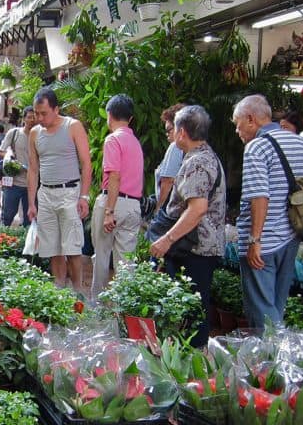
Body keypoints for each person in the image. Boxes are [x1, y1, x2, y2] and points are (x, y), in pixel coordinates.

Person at [232, 94, 303, 332]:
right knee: (276, 308)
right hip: (291, 240)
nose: (237, 131)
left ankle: (274, 362)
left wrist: (255, 239)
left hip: (264, 243)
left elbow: (260, 195)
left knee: (262, 312)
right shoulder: (300, 143)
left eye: (237, 123)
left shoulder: (256, 147)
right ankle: (277, 360)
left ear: (251, 119)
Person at [148, 105, 226, 347]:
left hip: (195, 248)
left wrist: (167, 239)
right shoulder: (204, 156)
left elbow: (197, 209)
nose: (170, 135)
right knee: (192, 307)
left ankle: (193, 367)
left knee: (193, 311)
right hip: (196, 246)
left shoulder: (198, 163)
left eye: (172, 130)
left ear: (182, 132)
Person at [27, 88, 92, 289]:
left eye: (43, 113)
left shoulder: (73, 127)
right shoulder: (35, 133)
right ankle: (59, 291)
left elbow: (86, 163)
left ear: (56, 109)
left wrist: (84, 197)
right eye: (36, 113)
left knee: (72, 248)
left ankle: (78, 292)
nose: (39, 118)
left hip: (69, 193)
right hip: (45, 194)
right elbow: (32, 169)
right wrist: (31, 203)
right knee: (51, 248)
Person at [90, 94, 144, 297]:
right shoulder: (136, 143)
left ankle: (98, 307)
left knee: (102, 257)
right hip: (133, 206)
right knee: (126, 263)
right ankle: (125, 308)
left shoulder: (113, 139)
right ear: (130, 119)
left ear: (109, 115)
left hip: (112, 203)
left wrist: (109, 211)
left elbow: (114, 176)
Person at [0, 105, 34, 227]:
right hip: (13, 183)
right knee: (7, 216)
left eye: (34, 117)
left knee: (30, 219)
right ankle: (0, 241)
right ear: (23, 119)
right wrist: (11, 161)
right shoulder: (14, 133)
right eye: (29, 117)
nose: (32, 120)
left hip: (32, 185)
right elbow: (1, 151)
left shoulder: (41, 136)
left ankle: (26, 244)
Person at [155, 103, 186, 209]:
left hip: (170, 209)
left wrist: (158, 210)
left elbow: (167, 181)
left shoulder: (176, 147)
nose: (167, 134)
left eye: (169, 130)